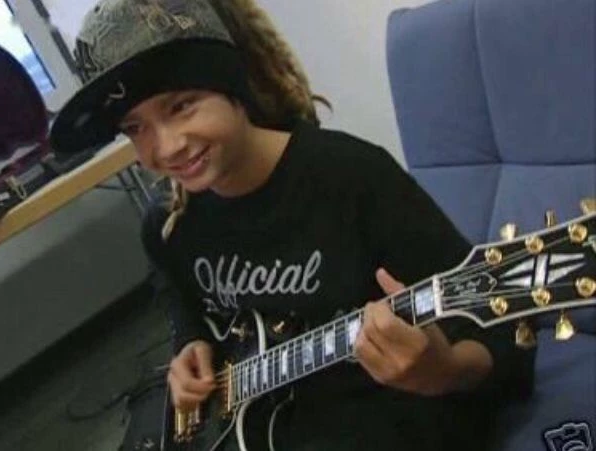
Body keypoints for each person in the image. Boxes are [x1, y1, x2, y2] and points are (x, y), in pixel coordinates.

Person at [50, 0, 535, 450]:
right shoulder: (168, 224)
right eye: (135, 128)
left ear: (233, 86)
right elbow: (175, 290)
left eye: (181, 105)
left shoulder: (352, 177)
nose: (167, 147)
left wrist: (443, 371)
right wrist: (190, 343)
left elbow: (506, 333)